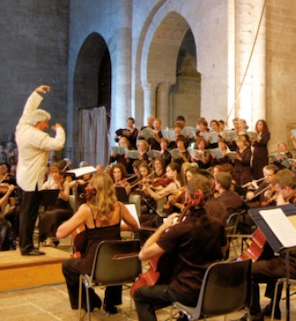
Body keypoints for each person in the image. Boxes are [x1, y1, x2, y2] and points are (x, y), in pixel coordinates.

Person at [133, 173, 227, 321]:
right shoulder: (218, 225)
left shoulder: (180, 229)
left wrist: (164, 227)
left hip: (187, 291)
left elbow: (143, 255)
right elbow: (223, 250)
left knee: (140, 295)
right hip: (211, 289)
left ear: (189, 198)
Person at [57, 172, 139, 314]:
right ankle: (111, 303)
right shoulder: (119, 206)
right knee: (114, 252)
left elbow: (60, 233)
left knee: (68, 266)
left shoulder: (87, 209)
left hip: (95, 265)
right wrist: (115, 226)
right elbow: (135, 226)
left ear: (94, 189)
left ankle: (91, 301)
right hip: (119, 266)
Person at [245, 169, 296, 321]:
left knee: (248, 270)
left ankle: (254, 315)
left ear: (287, 189)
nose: (278, 195)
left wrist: (281, 211)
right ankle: (273, 307)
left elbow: (285, 240)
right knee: (271, 260)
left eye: (279, 191)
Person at [15, 85, 66, 256]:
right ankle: (27, 247)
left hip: (23, 177)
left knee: (25, 214)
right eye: (45, 123)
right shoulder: (36, 135)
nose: (46, 126)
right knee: (29, 216)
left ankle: (25, 245)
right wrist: (59, 129)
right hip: (31, 181)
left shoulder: (22, 127)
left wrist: (36, 93)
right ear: (38, 123)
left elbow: (27, 109)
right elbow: (58, 144)